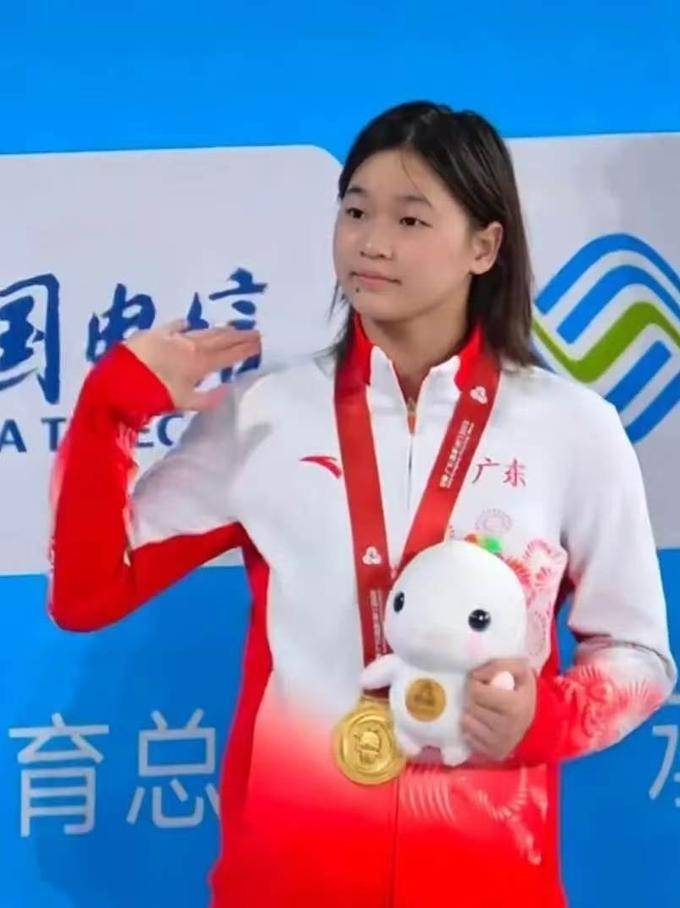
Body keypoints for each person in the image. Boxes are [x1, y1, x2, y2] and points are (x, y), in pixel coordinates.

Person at [48, 101, 676, 907]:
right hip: (284, 882)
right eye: (355, 212)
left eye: (410, 220)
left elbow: (638, 654)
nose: (371, 243)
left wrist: (544, 718)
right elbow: (89, 591)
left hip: (489, 882)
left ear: (484, 246)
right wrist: (112, 409)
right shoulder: (264, 415)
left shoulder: (570, 428)